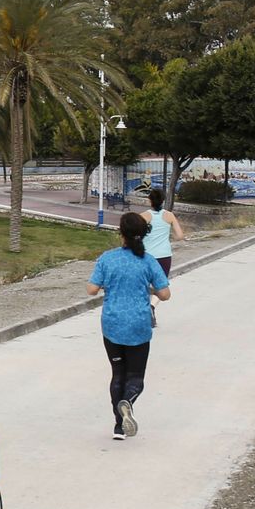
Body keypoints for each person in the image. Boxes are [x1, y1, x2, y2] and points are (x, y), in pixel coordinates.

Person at [86, 212, 170, 440]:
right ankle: (128, 402)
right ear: (143, 235)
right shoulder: (149, 261)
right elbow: (165, 294)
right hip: (138, 326)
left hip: (112, 325)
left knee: (117, 374)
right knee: (135, 377)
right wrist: (146, 287)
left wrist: (108, 286)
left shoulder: (107, 259)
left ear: (120, 233)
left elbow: (91, 289)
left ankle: (118, 426)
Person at [142, 189, 183, 326]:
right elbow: (180, 236)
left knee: (145, 284)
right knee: (161, 284)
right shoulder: (169, 216)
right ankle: (152, 307)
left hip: (146, 255)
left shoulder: (143, 216)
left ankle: (143, 310)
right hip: (164, 255)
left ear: (149, 200)